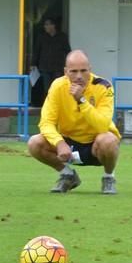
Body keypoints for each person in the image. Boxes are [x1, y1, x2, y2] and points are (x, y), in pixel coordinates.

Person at [27, 50, 120, 195]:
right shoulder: (58, 86)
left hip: (95, 144)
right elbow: (46, 122)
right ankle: (68, 175)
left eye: (83, 71)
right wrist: (59, 143)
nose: (79, 76)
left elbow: (102, 125)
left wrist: (81, 100)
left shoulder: (103, 86)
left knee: (108, 140)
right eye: (73, 71)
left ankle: (109, 177)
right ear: (65, 71)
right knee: (34, 143)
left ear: (90, 70)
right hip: (68, 143)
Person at [31, 17, 71, 103]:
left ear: (53, 25)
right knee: (47, 88)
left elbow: (68, 50)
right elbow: (37, 51)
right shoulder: (41, 37)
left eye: (48, 24)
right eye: (45, 25)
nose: (46, 27)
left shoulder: (62, 37)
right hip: (45, 67)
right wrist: (33, 64)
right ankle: (49, 105)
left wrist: (70, 64)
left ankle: (59, 105)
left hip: (58, 67)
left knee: (58, 87)